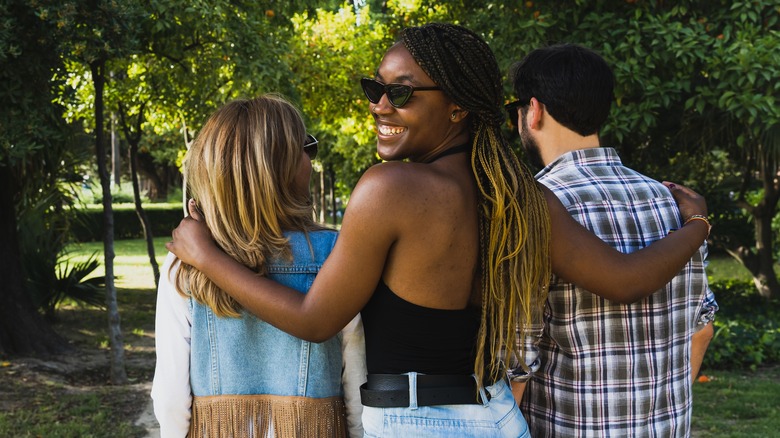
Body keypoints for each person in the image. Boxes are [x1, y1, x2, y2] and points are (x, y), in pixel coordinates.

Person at [166, 23, 710, 437]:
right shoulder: (520, 196)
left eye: (400, 93)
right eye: (374, 88)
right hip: (496, 415)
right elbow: (626, 279)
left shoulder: (390, 190)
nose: (380, 105)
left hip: (418, 420)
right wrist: (696, 224)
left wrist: (205, 254)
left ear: (455, 108)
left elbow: (315, 320)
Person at [507, 43, 719, 437]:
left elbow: (518, 361)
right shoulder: (676, 204)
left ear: (532, 110)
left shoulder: (534, 209)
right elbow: (701, 328)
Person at [151, 94, 366, 438]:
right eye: (306, 148)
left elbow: (171, 397)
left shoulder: (186, 261)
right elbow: (356, 381)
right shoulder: (334, 254)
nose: (312, 160)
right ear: (277, 169)